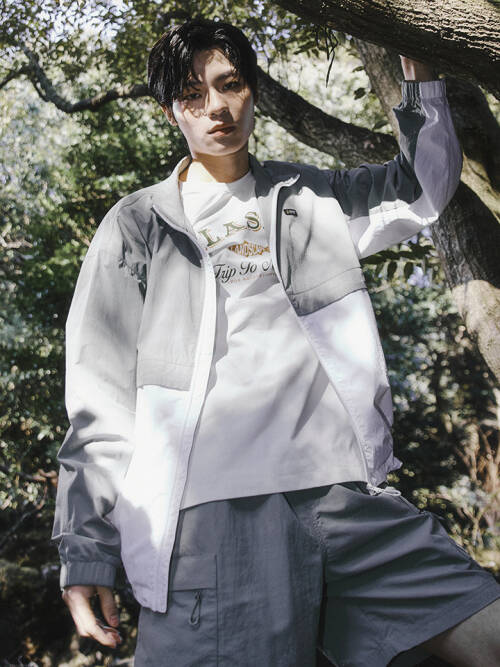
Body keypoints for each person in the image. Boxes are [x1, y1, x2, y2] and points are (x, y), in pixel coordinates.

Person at [52, 17, 500, 667]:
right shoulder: (139, 225)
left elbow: (424, 187)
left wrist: (420, 78)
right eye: (192, 94)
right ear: (169, 111)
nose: (216, 106)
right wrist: (86, 549)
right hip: (218, 519)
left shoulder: (312, 195)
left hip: (349, 499)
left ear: (253, 91)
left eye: (229, 84)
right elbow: (99, 398)